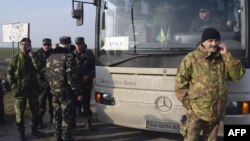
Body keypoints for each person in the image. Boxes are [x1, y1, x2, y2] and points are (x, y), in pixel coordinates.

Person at [175, 28, 245, 141]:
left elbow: (237, 75)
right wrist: (189, 105)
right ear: (203, 42)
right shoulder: (191, 58)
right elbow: (180, 84)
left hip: (215, 113)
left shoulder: (223, 58)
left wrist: (226, 55)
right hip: (196, 113)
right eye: (210, 40)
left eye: (217, 40)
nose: (214, 44)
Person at [7, 38, 45, 141]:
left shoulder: (34, 57)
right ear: (19, 46)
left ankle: (34, 130)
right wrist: (14, 87)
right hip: (20, 92)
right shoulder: (15, 59)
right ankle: (21, 133)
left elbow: (39, 68)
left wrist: (32, 56)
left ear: (30, 46)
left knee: (35, 112)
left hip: (33, 90)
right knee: (20, 114)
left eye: (27, 44)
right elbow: (9, 75)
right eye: (22, 44)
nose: (24, 46)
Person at [45, 36, 82, 141]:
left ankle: (57, 136)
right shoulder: (69, 57)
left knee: (56, 116)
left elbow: (47, 76)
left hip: (54, 92)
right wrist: (78, 93)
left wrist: (53, 87)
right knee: (67, 117)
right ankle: (67, 137)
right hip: (66, 93)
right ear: (69, 44)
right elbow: (71, 79)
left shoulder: (50, 58)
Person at [73, 37, 95, 129]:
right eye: (76, 44)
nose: (78, 46)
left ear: (83, 44)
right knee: (75, 103)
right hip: (75, 84)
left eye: (79, 44)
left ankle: (88, 122)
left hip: (86, 83)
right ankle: (73, 122)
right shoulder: (72, 54)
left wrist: (88, 76)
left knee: (86, 104)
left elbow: (94, 68)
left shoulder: (89, 54)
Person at [36, 38, 54, 129]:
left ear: (51, 45)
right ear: (42, 45)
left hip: (52, 84)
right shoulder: (37, 54)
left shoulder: (55, 54)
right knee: (41, 104)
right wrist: (41, 81)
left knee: (53, 103)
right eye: (45, 45)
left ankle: (53, 119)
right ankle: (40, 122)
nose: (46, 46)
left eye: (48, 45)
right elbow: (36, 69)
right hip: (41, 84)